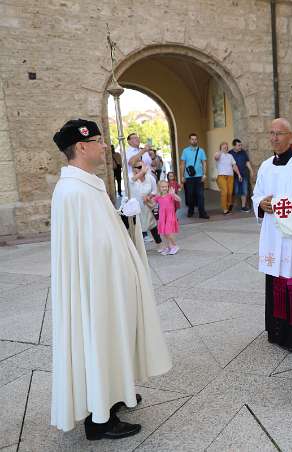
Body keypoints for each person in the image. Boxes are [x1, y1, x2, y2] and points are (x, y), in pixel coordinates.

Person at [51, 119, 171, 439]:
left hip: (108, 283)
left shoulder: (89, 184)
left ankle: (113, 395)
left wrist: (124, 218)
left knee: (112, 339)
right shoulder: (73, 191)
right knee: (98, 339)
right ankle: (99, 421)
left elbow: (103, 233)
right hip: (95, 289)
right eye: (100, 142)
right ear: (82, 146)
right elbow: (88, 248)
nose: (106, 147)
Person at [253, 118, 292, 351]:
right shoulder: (266, 165)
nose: (274, 138)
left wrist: (278, 205)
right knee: (275, 280)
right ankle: (277, 331)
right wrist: (262, 203)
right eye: (271, 133)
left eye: (279, 133)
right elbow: (257, 194)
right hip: (273, 234)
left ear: (290, 136)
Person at [130, 162, 162, 248]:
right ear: (134, 169)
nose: (141, 169)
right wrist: (142, 173)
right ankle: (136, 248)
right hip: (135, 208)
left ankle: (159, 244)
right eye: (139, 167)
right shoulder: (130, 177)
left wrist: (148, 196)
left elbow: (154, 191)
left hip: (147, 205)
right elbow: (131, 181)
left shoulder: (150, 177)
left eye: (143, 166)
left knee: (152, 224)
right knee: (137, 228)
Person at [179, 133, 209, 219]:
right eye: (192, 139)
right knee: (190, 195)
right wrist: (182, 176)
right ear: (189, 140)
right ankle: (190, 210)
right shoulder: (185, 151)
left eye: (195, 139)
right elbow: (183, 164)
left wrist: (204, 174)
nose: (194, 141)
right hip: (188, 177)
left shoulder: (201, 151)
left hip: (199, 176)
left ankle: (202, 213)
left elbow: (204, 163)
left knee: (200, 195)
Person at [154, 180, 181, 255]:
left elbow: (179, 199)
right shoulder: (158, 197)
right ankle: (169, 247)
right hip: (162, 216)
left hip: (170, 216)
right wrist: (146, 201)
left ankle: (175, 245)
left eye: (166, 186)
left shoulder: (170, 195)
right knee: (164, 233)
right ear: (159, 188)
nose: (165, 188)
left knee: (168, 232)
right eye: (162, 187)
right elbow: (152, 204)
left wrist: (174, 194)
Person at [214, 141, 242, 214]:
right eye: (224, 147)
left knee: (229, 193)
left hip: (230, 176)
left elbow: (234, 166)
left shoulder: (230, 156)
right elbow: (216, 157)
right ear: (221, 148)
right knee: (224, 192)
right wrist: (221, 151)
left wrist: (239, 174)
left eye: (226, 147)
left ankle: (228, 206)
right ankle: (224, 209)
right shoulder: (218, 154)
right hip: (221, 176)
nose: (225, 148)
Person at [230, 138, 254, 212]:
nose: (240, 146)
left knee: (244, 190)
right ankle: (230, 205)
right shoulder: (230, 153)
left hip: (243, 174)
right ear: (234, 146)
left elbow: (247, 162)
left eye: (241, 145)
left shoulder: (243, 152)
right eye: (239, 145)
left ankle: (243, 206)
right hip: (234, 175)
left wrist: (251, 170)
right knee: (234, 191)